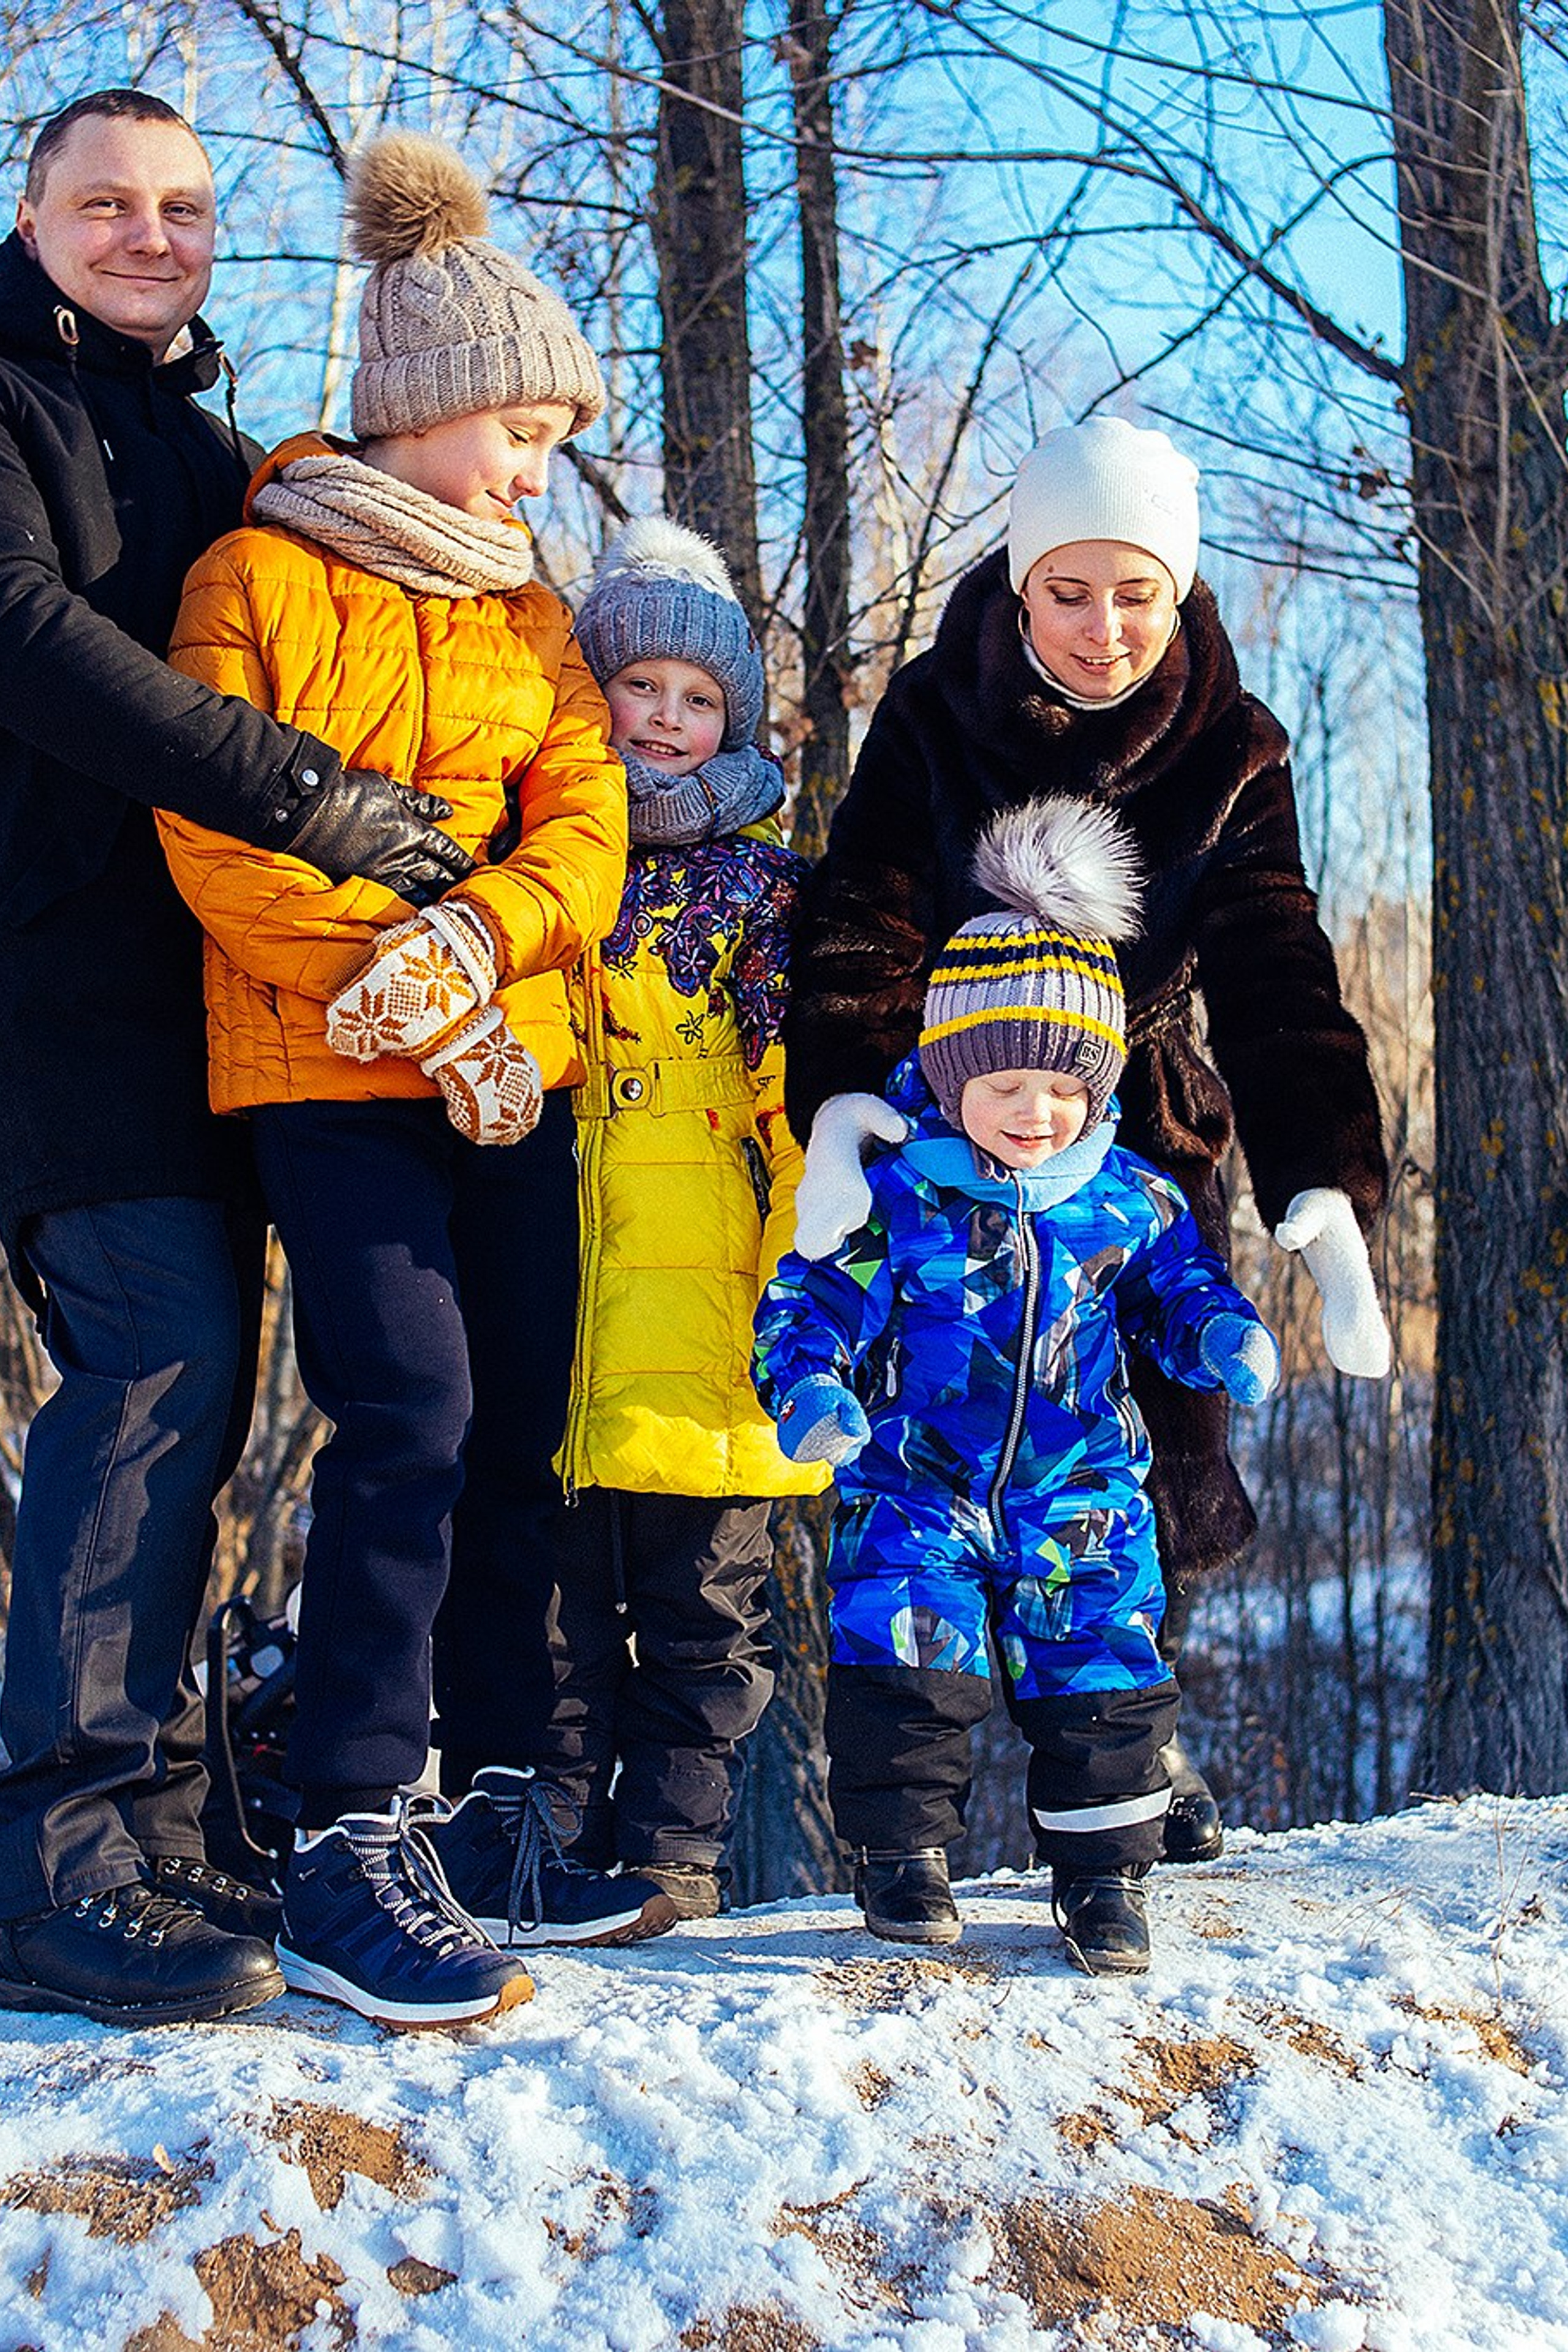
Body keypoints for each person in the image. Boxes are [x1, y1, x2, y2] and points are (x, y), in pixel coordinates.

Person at [157, 130, 669, 2027]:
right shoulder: (257, 575)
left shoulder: (532, 610)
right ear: (422, 404)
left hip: (510, 1069)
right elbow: (214, 836)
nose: (538, 467)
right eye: (517, 428)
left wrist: (491, 945)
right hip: (322, 1066)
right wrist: (398, 974)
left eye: (550, 434)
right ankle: (342, 1833)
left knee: (515, 1426)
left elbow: (591, 824)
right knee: (412, 1416)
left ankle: (486, 1812)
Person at [0, 90, 473, 2029]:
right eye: (105, 201)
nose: (149, 232)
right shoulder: (9, 406)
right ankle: (58, 1862)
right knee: (152, 1373)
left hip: (211, 1008)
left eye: (184, 205)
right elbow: (19, 632)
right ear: (31, 218)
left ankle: (169, 1822)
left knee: (210, 1401)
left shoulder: (199, 446)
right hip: (49, 994)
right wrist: (305, 796)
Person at [780, 416, 1391, 1864]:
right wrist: (849, 1094)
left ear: (1175, 592)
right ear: (1018, 576)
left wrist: (1323, 1175)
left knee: (1146, 1449)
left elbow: (1270, 958)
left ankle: (1135, 1748)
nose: (1102, 627)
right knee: (927, 1447)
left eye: (1137, 593)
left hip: (1135, 1130)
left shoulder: (1233, 746)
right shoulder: (936, 712)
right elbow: (863, 909)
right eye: (1069, 589)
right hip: (946, 1133)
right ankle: (910, 1787)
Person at [755, 798, 1281, 1975]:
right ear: (949, 1078)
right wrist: (811, 1389)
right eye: (1002, 1086)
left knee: (1102, 1678)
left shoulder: (1127, 1197)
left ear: (1098, 1089)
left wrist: (1221, 1338)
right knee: (905, 1671)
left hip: (1079, 1489)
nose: (1033, 1113)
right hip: (917, 1484)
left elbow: (1177, 1289)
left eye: (1062, 1089)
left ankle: (1102, 1879)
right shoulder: (900, 1189)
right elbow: (811, 1298)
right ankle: (904, 1864)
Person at [437, 518, 828, 1924]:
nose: (663, 720)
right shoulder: (529, 860)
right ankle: (542, 1848)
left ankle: (669, 1857)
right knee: (545, 1608)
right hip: (549, 1290)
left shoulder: (775, 896)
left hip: (711, 1301)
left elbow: (808, 1109)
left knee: (704, 1606)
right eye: (636, 687)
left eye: (698, 696)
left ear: (733, 715)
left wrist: (800, 1291)